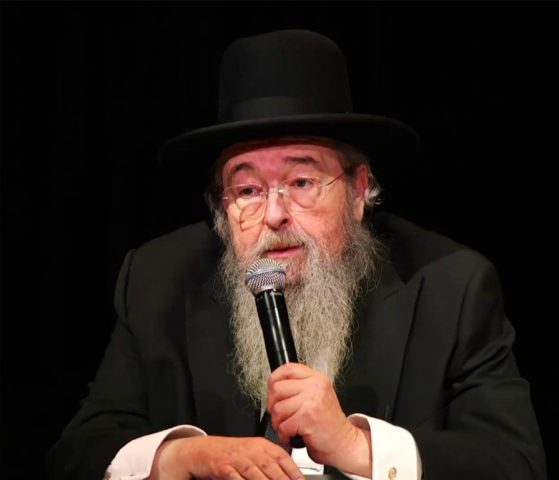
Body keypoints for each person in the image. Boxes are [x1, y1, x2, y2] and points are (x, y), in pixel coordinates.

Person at [48, 29, 547, 480]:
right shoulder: (157, 280)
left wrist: (357, 446)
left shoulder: (450, 287)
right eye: (247, 190)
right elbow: (78, 453)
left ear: (359, 191)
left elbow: (515, 463)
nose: (274, 215)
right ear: (221, 207)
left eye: (302, 182)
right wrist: (184, 456)